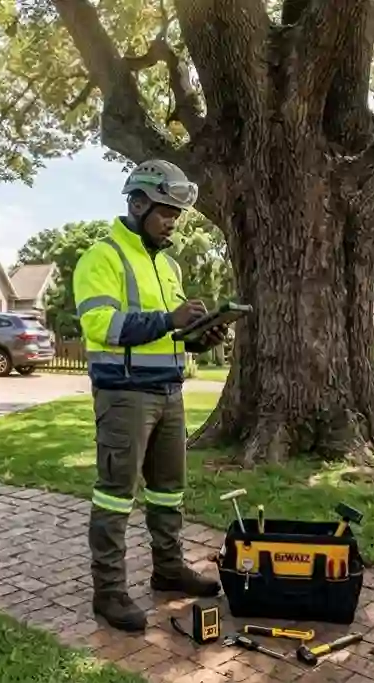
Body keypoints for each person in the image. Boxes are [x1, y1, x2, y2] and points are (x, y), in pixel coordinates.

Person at [71, 159, 230, 632]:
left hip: (168, 391)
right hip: (124, 396)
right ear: (138, 204)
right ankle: (110, 592)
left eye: (177, 215)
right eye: (166, 212)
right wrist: (170, 320)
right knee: (116, 496)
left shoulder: (167, 264)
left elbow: (169, 332)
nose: (172, 223)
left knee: (168, 490)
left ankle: (167, 569)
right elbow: (101, 326)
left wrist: (199, 335)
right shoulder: (102, 258)